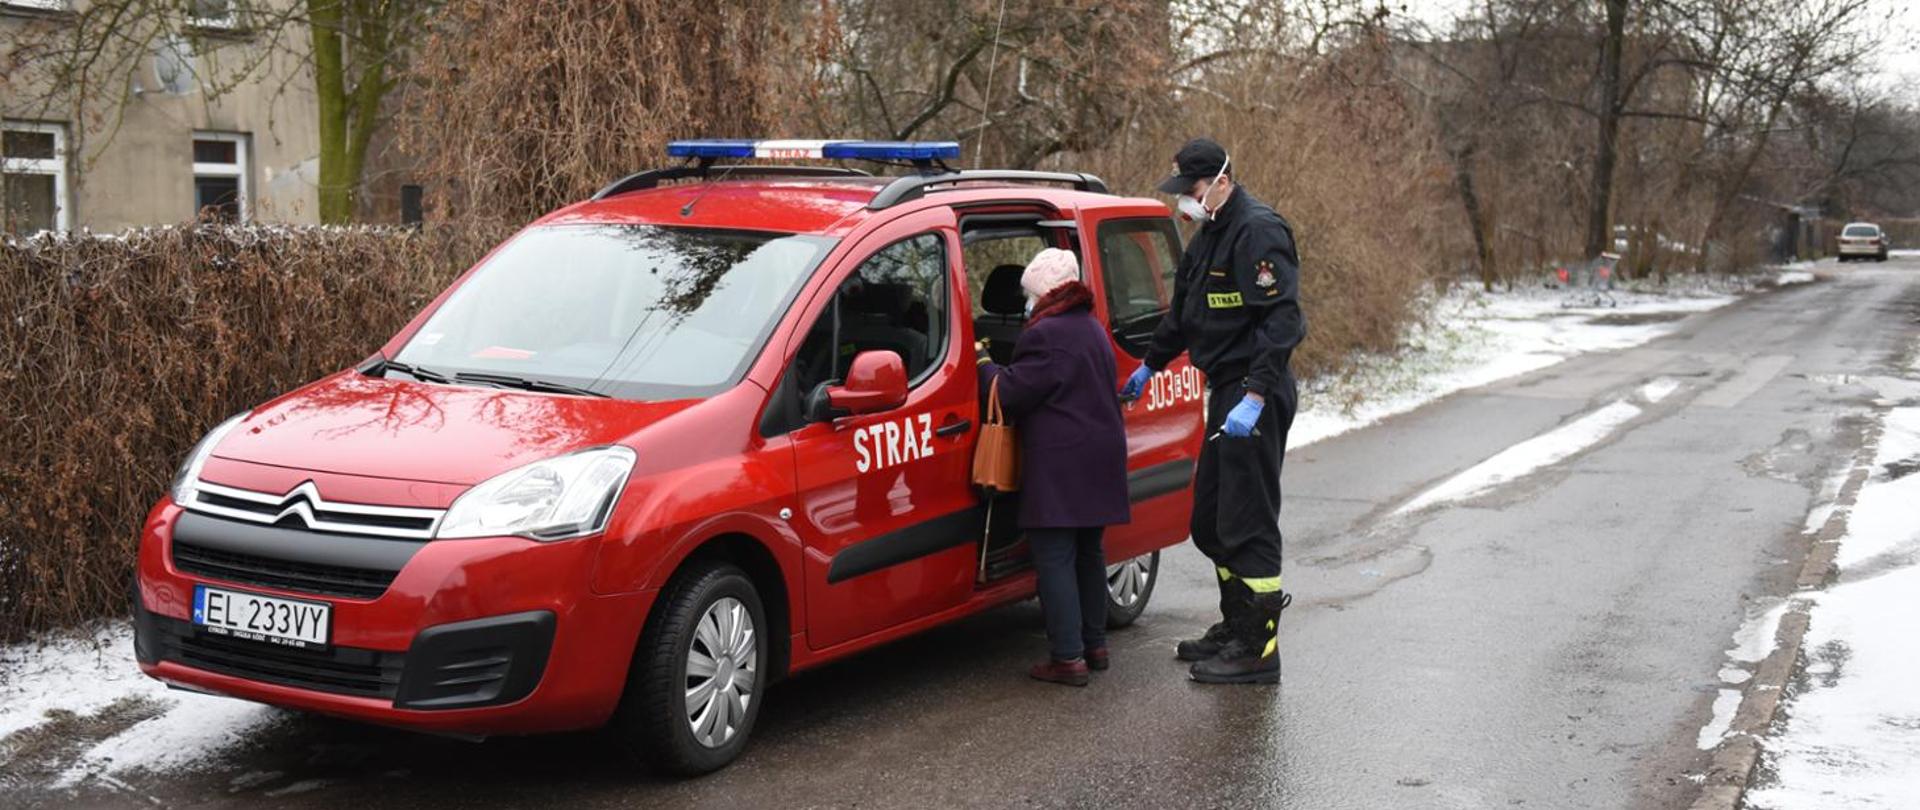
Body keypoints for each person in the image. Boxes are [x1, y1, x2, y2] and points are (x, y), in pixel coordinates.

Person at [1119, 137, 1305, 685]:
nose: (1186, 200)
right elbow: (1183, 314)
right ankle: (1235, 622)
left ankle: (1258, 647)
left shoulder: (1258, 231)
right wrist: (1149, 365)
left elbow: (1282, 322)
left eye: (1193, 189)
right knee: (1211, 521)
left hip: (1255, 392)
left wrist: (1255, 395)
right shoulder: (1209, 236)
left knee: (1247, 520)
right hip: (1224, 388)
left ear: (1221, 181)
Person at [976, 248, 1131, 686]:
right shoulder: (1091, 327)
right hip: (1099, 458)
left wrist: (984, 364)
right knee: (1088, 553)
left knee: (1054, 558)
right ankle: (1094, 646)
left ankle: (1067, 658)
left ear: (1045, 292)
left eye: (1029, 294)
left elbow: (1012, 393)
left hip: (1063, 464)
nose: (1027, 303)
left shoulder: (1047, 335)